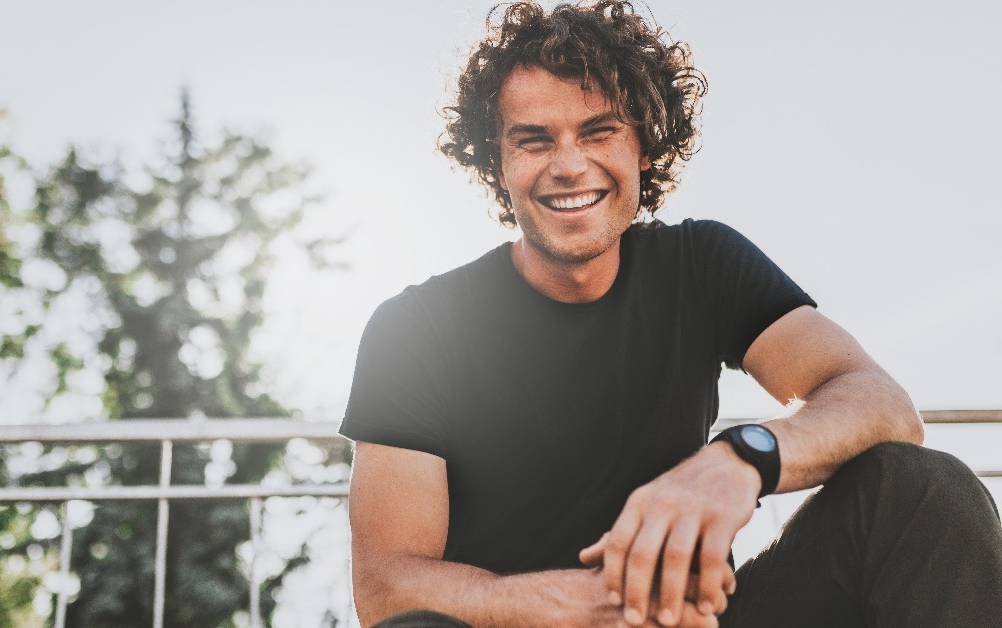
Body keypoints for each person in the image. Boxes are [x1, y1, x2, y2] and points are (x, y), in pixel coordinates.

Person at [339, 2, 1002, 626]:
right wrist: (589, 604)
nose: (570, 165)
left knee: (920, 489)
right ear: (499, 163)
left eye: (598, 132)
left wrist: (741, 460)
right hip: (528, 623)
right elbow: (387, 586)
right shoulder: (417, 327)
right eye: (534, 140)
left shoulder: (701, 262)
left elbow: (882, 403)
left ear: (644, 149)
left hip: (697, 620)